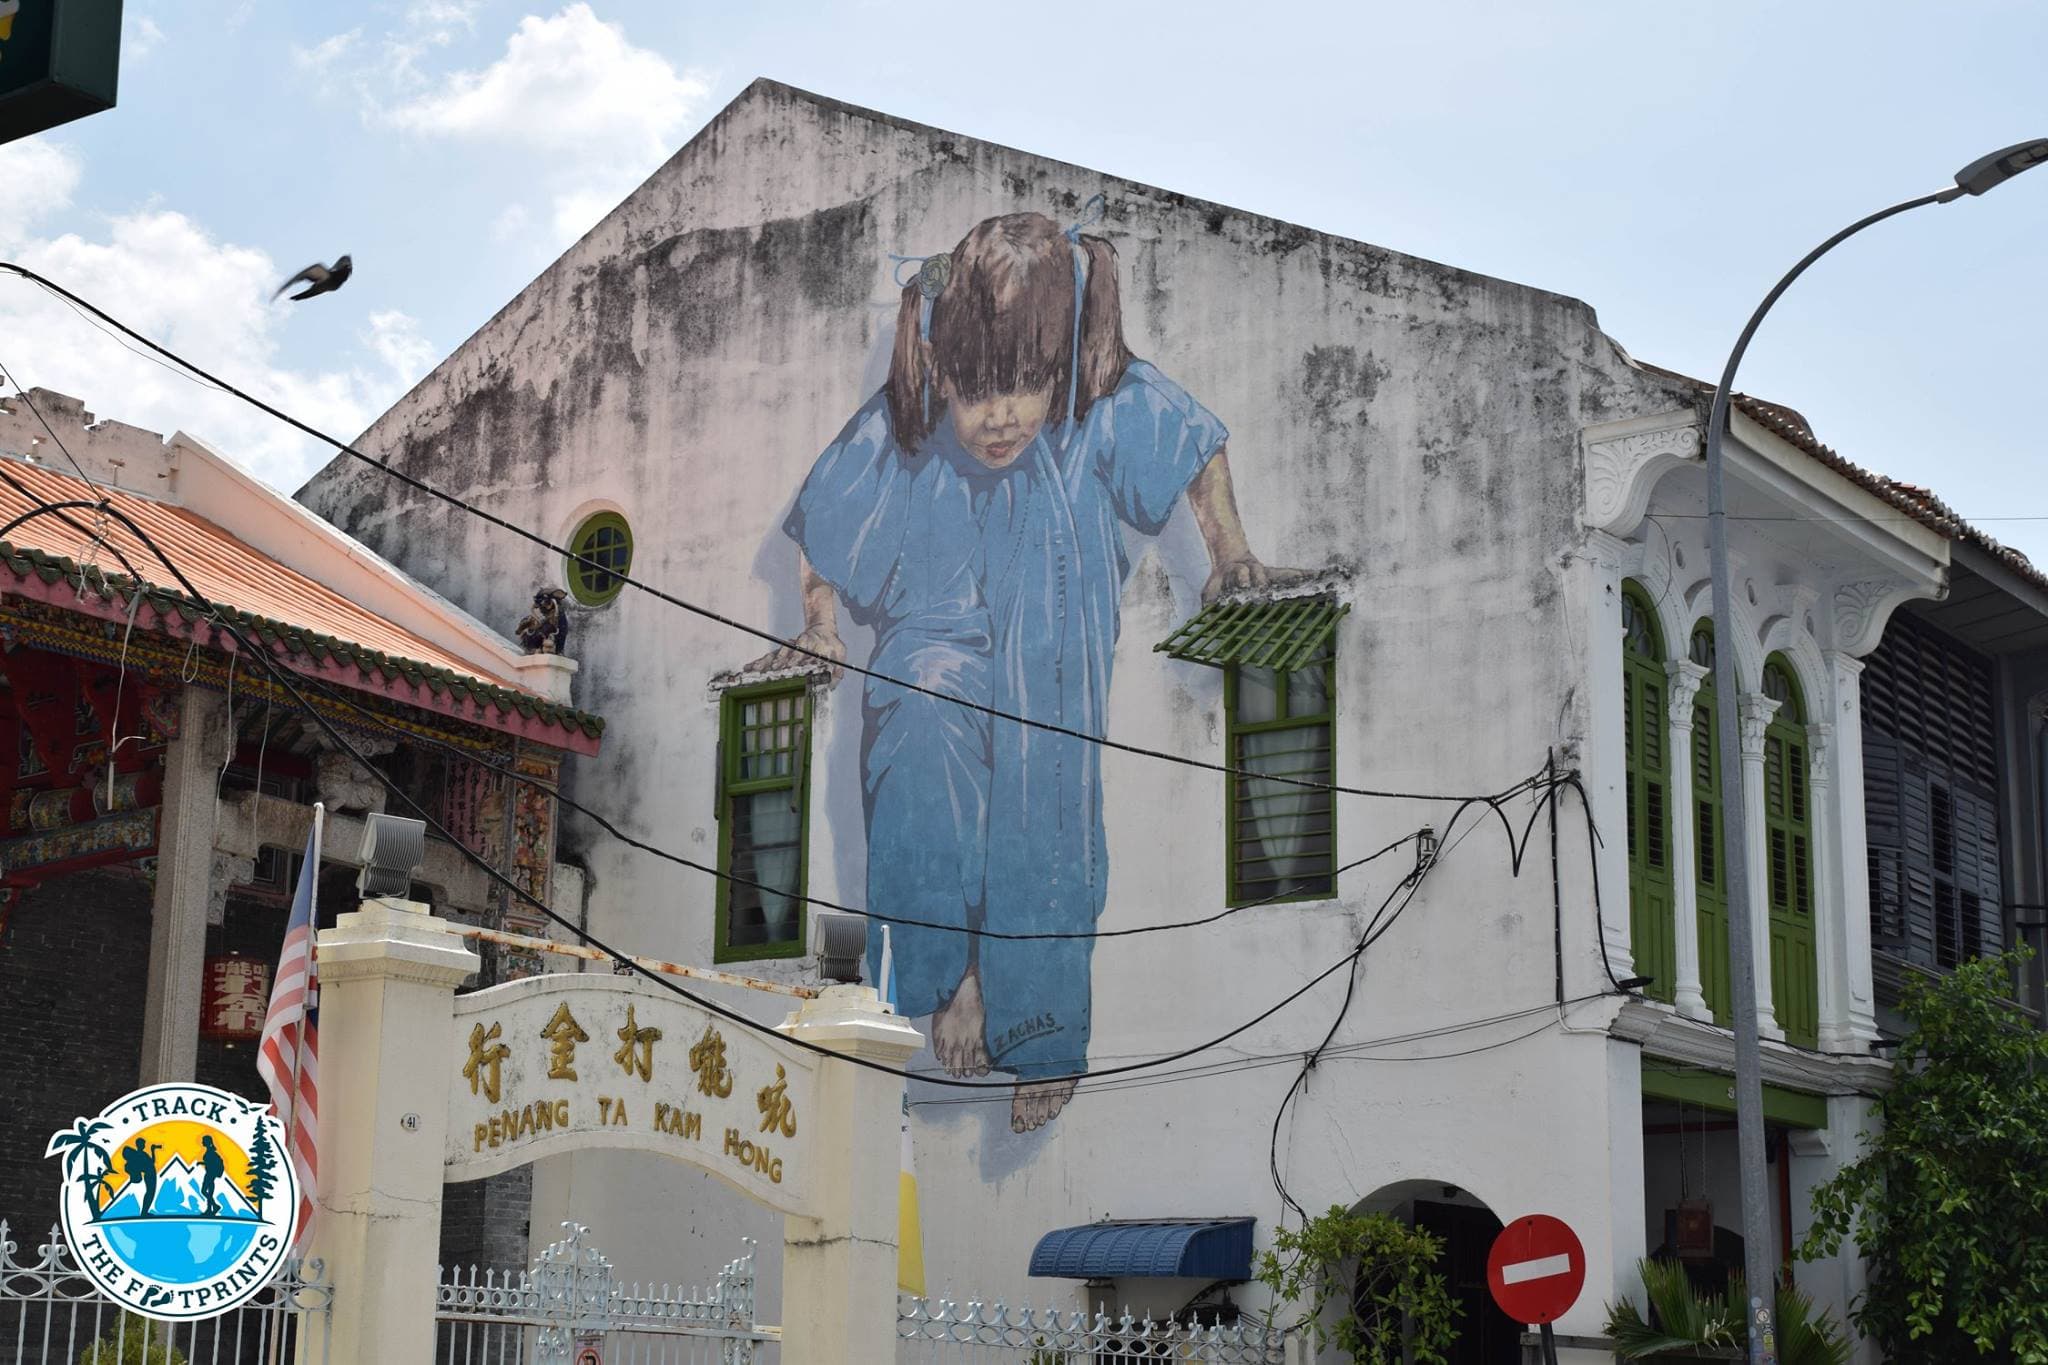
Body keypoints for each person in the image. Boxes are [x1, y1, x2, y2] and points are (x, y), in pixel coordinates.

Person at [758, 209, 1302, 1133]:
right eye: (977, 393)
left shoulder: (1097, 403)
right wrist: (819, 624)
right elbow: (828, 511)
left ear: (1057, 367)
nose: (1000, 417)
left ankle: (1033, 1023)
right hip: (932, 640)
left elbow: (1194, 447)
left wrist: (1230, 553)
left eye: (1024, 388)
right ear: (943, 370)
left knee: (1043, 808)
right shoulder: (910, 419)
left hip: (1050, 649)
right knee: (920, 726)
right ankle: (945, 978)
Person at [119, 1137, 160, 1217]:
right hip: (150, 1175)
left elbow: (151, 1162)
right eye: (143, 1144)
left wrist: (152, 1150)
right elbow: (149, 1163)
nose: (144, 1145)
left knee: (150, 1193)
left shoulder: (141, 1154)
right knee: (150, 1193)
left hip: (151, 1174)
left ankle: (144, 1212)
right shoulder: (140, 1155)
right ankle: (144, 1213)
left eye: (144, 1144)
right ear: (139, 1145)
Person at [198, 1135, 227, 1216]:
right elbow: (209, 1162)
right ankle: (212, 1208)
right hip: (210, 1174)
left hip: (210, 1174)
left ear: (207, 1142)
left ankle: (213, 1207)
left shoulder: (210, 1152)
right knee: (208, 1192)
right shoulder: (210, 1151)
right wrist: (202, 1163)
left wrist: (203, 1163)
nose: (202, 1142)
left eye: (203, 1141)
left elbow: (211, 1163)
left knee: (204, 1191)